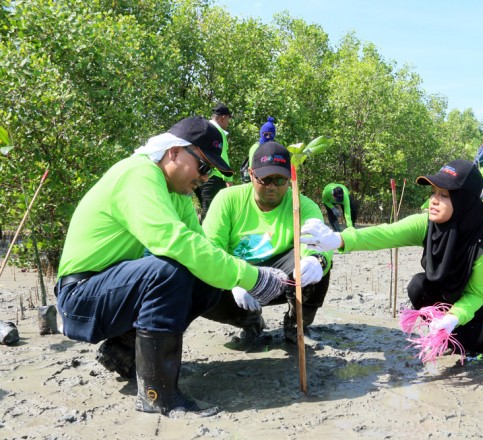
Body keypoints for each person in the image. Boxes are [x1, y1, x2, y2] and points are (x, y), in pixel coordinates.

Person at [55, 117, 287, 416]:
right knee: (169, 270)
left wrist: (239, 282)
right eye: (203, 167)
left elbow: (202, 250)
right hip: (80, 296)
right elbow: (173, 242)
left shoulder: (178, 196)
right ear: (174, 152)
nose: (205, 178)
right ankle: (158, 396)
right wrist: (251, 275)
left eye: (211, 172)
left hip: (112, 291)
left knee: (203, 278)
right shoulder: (138, 173)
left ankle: (124, 351)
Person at [301, 160, 483, 369]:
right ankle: (460, 337)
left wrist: (453, 317)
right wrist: (337, 239)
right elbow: (385, 234)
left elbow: (477, 294)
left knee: (463, 331)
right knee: (419, 286)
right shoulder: (428, 224)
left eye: (444, 195)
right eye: (434, 192)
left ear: (463, 200)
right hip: (464, 292)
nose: (434, 201)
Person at [202, 141, 333, 344]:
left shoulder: (303, 205)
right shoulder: (227, 199)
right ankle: (249, 320)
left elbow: (318, 243)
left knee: (318, 265)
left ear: (290, 178)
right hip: (235, 279)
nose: (272, 187)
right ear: (252, 174)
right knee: (198, 284)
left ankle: (297, 324)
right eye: (265, 179)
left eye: (280, 179)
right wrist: (236, 279)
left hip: (281, 278)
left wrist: (317, 261)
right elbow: (211, 249)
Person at [194, 102, 234, 222]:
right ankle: (207, 239)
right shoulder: (218, 132)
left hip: (196, 175)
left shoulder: (203, 128)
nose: (228, 123)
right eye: (228, 119)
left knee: (205, 211)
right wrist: (229, 181)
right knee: (212, 214)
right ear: (223, 117)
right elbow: (222, 156)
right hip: (213, 178)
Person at [240, 116, 277, 183]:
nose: (268, 137)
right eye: (266, 134)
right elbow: (252, 168)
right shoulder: (255, 147)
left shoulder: (275, 147)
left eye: (270, 135)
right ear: (261, 133)